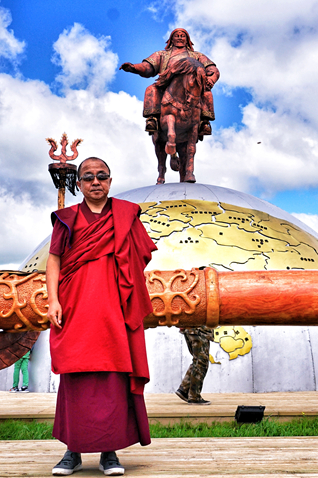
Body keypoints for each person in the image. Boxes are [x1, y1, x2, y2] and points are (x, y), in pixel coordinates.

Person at [46, 158, 157, 477]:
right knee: (76, 374)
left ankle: (110, 452)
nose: (96, 182)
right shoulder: (66, 219)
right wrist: (53, 300)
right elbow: (54, 261)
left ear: (110, 181)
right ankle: (73, 451)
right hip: (76, 306)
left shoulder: (126, 215)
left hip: (114, 308)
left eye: (102, 177)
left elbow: (140, 255)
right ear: (78, 184)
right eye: (88, 177)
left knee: (113, 377)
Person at [120, 28, 219, 135]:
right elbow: (148, 67)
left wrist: (211, 79)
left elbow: (212, 69)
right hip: (166, 85)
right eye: (177, 36)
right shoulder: (161, 55)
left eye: (182, 36)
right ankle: (153, 119)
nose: (180, 38)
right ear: (171, 39)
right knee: (151, 89)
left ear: (187, 39)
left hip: (191, 87)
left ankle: (204, 122)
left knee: (206, 93)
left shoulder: (197, 56)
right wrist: (134, 67)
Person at [176, 326, 212, 405]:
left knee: (197, 360)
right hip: (199, 329)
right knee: (201, 362)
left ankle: (184, 389)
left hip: (191, 329)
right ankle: (194, 396)